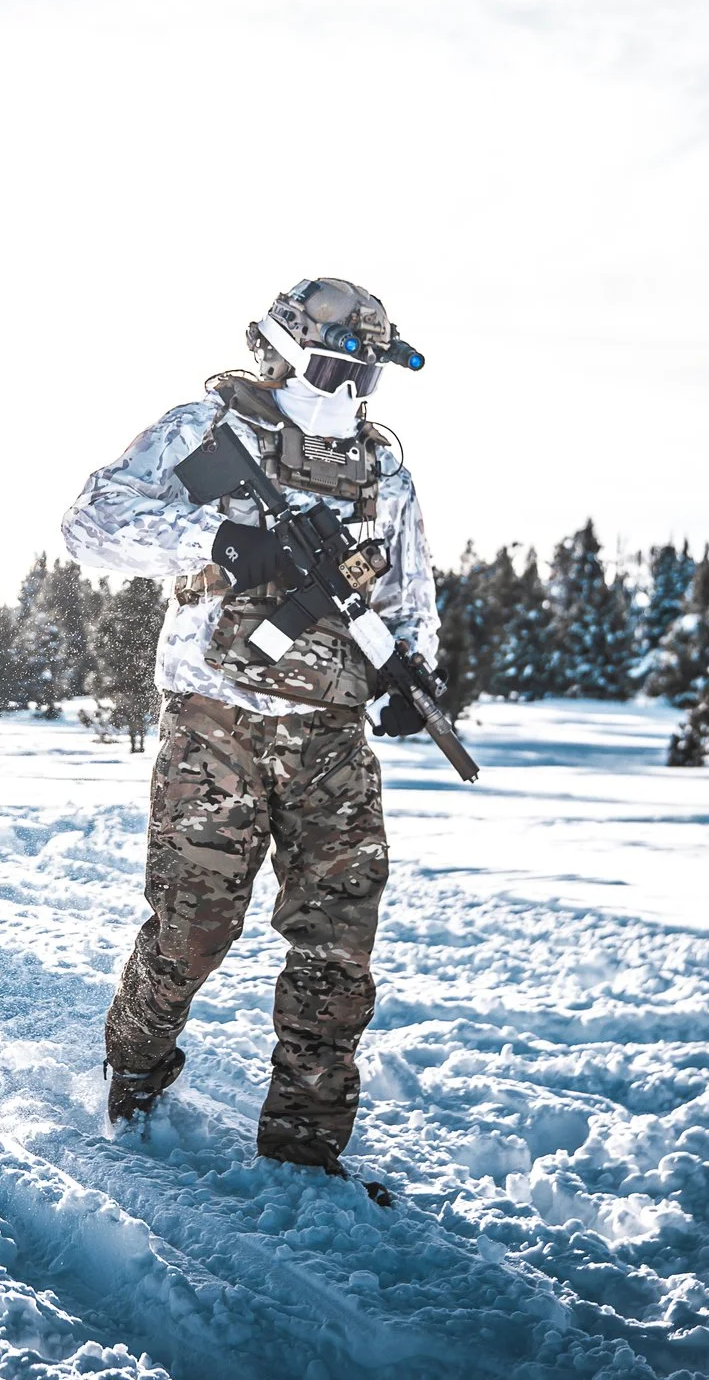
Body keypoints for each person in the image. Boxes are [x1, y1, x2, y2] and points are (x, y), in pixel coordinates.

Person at [61, 276, 440, 1190]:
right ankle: (136, 1066)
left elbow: (407, 590)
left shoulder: (383, 469)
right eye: (330, 363)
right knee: (193, 928)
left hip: (330, 735)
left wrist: (411, 672)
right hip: (214, 721)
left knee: (339, 943)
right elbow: (90, 524)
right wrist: (216, 542)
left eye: (364, 373)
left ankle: (306, 1150)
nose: (347, 388)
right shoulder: (204, 429)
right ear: (281, 346)